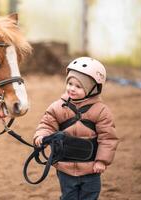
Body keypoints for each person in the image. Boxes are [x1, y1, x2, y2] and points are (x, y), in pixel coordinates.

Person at [34, 57, 119, 200]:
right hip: (65, 166)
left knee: (90, 196)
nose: (71, 88)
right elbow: (47, 124)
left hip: (91, 169)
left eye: (78, 86)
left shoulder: (101, 111)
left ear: (93, 89)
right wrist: (41, 136)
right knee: (68, 196)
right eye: (69, 83)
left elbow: (108, 138)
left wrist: (101, 161)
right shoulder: (58, 107)